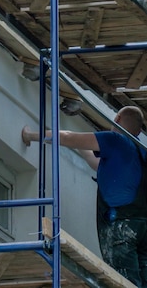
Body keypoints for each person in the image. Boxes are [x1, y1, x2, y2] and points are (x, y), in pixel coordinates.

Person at [22, 106, 147, 288]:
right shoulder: (141, 154)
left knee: (126, 282)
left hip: (121, 228)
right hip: (143, 230)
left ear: (117, 118)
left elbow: (67, 137)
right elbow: (98, 165)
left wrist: (31, 136)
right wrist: (81, 147)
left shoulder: (116, 140)